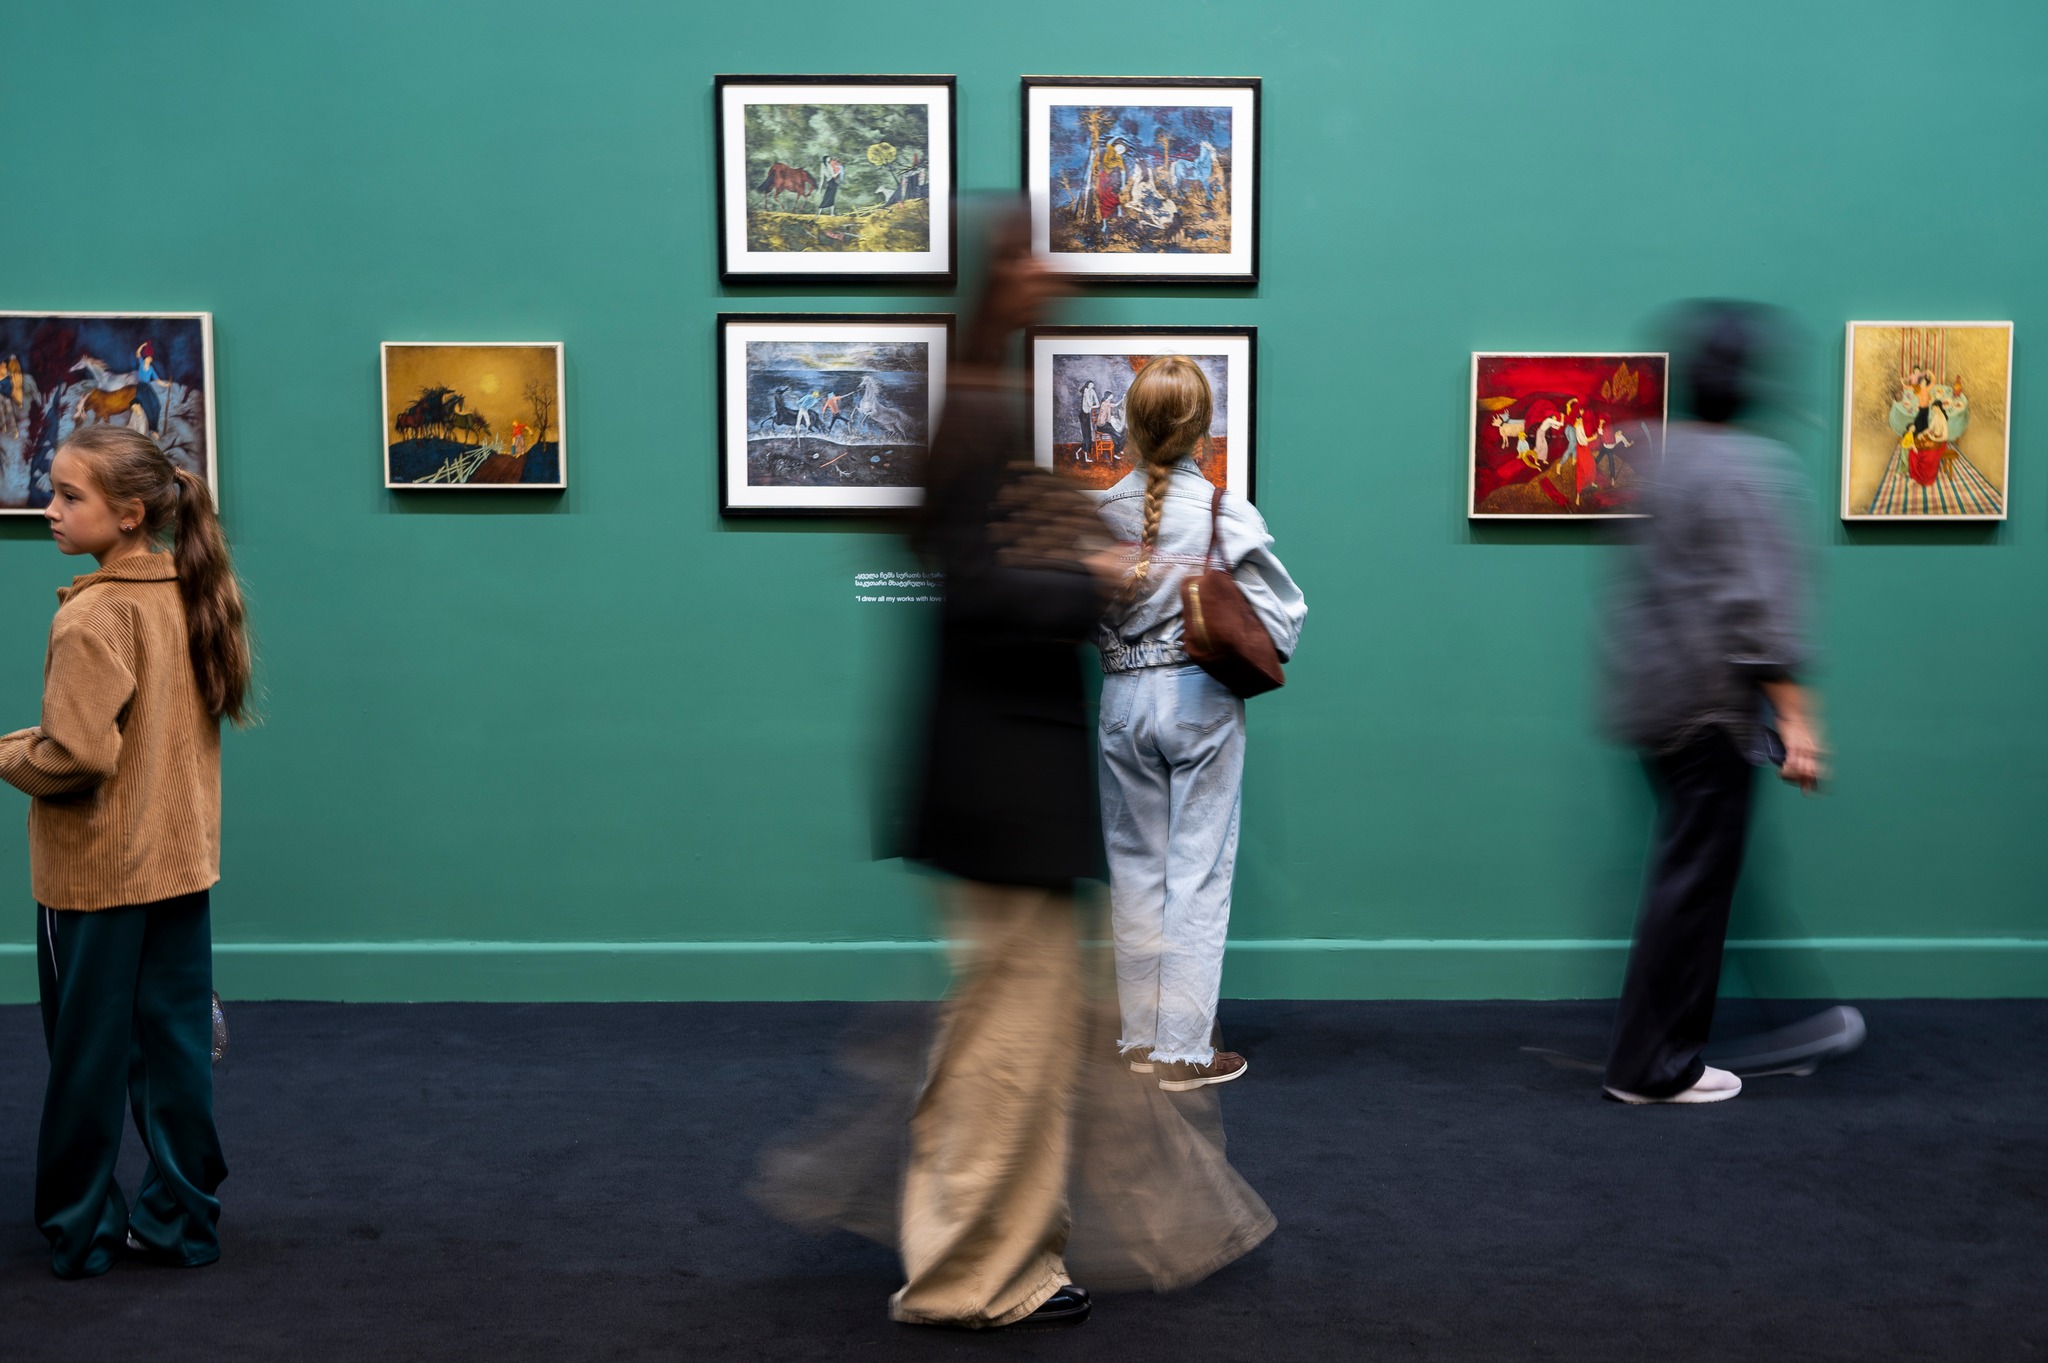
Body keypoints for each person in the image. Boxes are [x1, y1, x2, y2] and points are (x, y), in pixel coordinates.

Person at [891, 214, 1124, 1331]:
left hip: (997, 782)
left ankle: (996, 1257)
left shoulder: (978, 410)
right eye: (1028, 256)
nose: (1050, 271)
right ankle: (969, 1279)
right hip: (1004, 784)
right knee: (1007, 1049)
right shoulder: (978, 417)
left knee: (1003, 1038)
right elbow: (985, 593)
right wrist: (1100, 576)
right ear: (999, 281)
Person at [0, 425, 253, 1277]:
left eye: (70, 495)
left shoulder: (92, 615)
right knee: (175, 1052)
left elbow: (75, 757)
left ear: (131, 513)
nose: (50, 508)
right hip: (180, 865)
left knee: (87, 1059)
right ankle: (184, 1222)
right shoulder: (193, 591)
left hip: (97, 877)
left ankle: (83, 1232)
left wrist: (7, 750)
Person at [1600, 302, 1825, 1106]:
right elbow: (1758, 606)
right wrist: (1797, 719)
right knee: (1693, 889)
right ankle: (1654, 1067)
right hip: (1710, 710)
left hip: (1653, 702)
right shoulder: (1749, 468)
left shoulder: (1656, 456)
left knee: (1683, 880)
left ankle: (1653, 1055)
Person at [1094, 357, 1306, 1092]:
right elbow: (1283, 621)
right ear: (1201, 429)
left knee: (1134, 870)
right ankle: (1183, 1052)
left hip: (1121, 700)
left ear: (1130, 422)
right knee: (1198, 873)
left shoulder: (1099, 513)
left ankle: (1138, 1040)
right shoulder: (1224, 511)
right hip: (1199, 700)